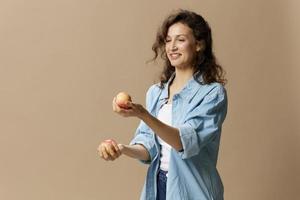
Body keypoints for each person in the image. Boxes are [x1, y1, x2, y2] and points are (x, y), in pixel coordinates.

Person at [97, 9, 228, 200]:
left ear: (199, 44)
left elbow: (183, 142)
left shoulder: (212, 93)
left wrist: (143, 114)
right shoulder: (156, 93)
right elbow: (149, 148)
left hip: (193, 191)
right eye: (168, 40)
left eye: (180, 40)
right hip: (158, 187)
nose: (172, 47)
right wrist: (121, 149)